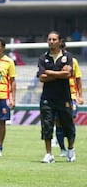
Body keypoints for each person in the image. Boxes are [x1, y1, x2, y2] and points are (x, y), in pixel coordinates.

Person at [37, 31, 76, 163]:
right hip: (47, 98)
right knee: (47, 125)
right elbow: (42, 78)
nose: (51, 42)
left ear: (60, 41)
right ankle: (49, 154)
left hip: (64, 97)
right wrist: (59, 73)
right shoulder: (43, 58)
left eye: (54, 39)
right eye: (49, 39)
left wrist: (49, 72)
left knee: (67, 125)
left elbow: (68, 75)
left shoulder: (67, 56)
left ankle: (70, 149)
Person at [55, 40, 83, 157]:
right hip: (57, 96)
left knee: (70, 122)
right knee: (58, 122)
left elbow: (78, 79)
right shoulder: (54, 61)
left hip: (71, 96)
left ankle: (71, 148)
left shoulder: (73, 61)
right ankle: (62, 149)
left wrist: (80, 96)